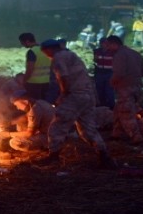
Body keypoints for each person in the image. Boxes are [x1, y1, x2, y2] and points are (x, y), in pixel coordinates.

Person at [36, 39, 117, 169]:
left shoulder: (58, 58)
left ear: (49, 49)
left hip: (74, 95)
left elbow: (63, 77)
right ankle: (104, 156)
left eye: (45, 52)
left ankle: (53, 156)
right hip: (88, 95)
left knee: (58, 125)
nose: (46, 55)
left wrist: (63, 95)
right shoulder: (71, 55)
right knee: (87, 128)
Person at [107, 35, 143, 144]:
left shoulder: (119, 55)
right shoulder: (134, 53)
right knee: (118, 110)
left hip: (125, 88)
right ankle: (116, 133)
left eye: (108, 45)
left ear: (114, 44)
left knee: (126, 113)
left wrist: (112, 82)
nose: (107, 48)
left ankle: (136, 137)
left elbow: (119, 73)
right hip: (137, 87)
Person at [18, 33, 52, 101]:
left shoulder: (32, 52)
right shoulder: (45, 50)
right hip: (47, 82)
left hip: (34, 84)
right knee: (45, 103)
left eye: (22, 43)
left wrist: (24, 81)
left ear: (27, 41)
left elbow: (30, 69)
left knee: (35, 104)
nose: (23, 45)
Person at [92, 37, 115, 109]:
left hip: (109, 73)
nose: (103, 44)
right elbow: (95, 60)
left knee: (109, 91)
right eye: (101, 43)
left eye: (104, 43)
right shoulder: (97, 51)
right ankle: (102, 105)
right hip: (99, 73)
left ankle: (111, 106)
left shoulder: (112, 52)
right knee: (99, 90)